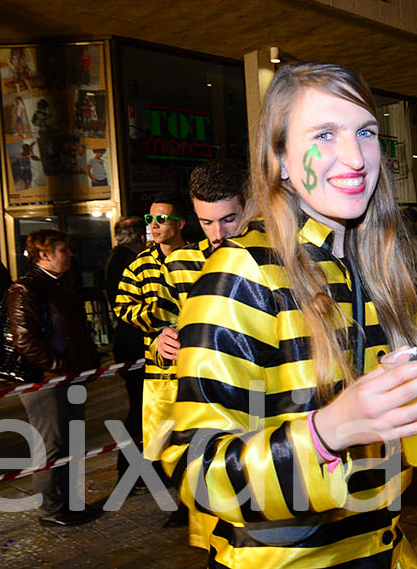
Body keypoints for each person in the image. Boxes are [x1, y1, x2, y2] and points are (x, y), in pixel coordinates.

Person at [159, 62, 417, 567]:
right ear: (281, 159)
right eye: (324, 134)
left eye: (365, 132)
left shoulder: (371, 263)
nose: (354, 156)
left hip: (382, 549)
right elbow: (198, 469)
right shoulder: (244, 271)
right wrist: (327, 432)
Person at [146, 160, 246, 550]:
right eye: (207, 222)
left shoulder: (275, 255)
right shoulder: (180, 264)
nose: (218, 233)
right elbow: (165, 325)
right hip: (208, 402)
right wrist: (160, 341)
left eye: (228, 219)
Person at [7, 230, 100, 526]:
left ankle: (70, 503)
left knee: (70, 443)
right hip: (46, 381)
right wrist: (59, 367)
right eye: (63, 249)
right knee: (51, 446)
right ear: (44, 255)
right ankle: (51, 509)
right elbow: (25, 340)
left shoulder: (58, 286)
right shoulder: (26, 289)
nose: (70, 254)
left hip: (68, 378)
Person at [114, 191, 187, 525]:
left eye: (162, 218)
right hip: (159, 372)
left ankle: (196, 503)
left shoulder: (202, 258)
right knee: (163, 440)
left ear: (181, 223)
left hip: (198, 367)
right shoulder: (138, 265)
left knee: (200, 434)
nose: (154, 225)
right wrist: (158, 325)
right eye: (150, 219)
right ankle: (181, 501)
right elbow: (122, 308)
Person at [104, 216, 148, 494]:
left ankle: (138, 471)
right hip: (133, 346)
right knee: (139, 410)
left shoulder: (116, 258)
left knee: (141, 409)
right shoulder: (126, 262)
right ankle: (130, 471)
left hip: (128, 344)